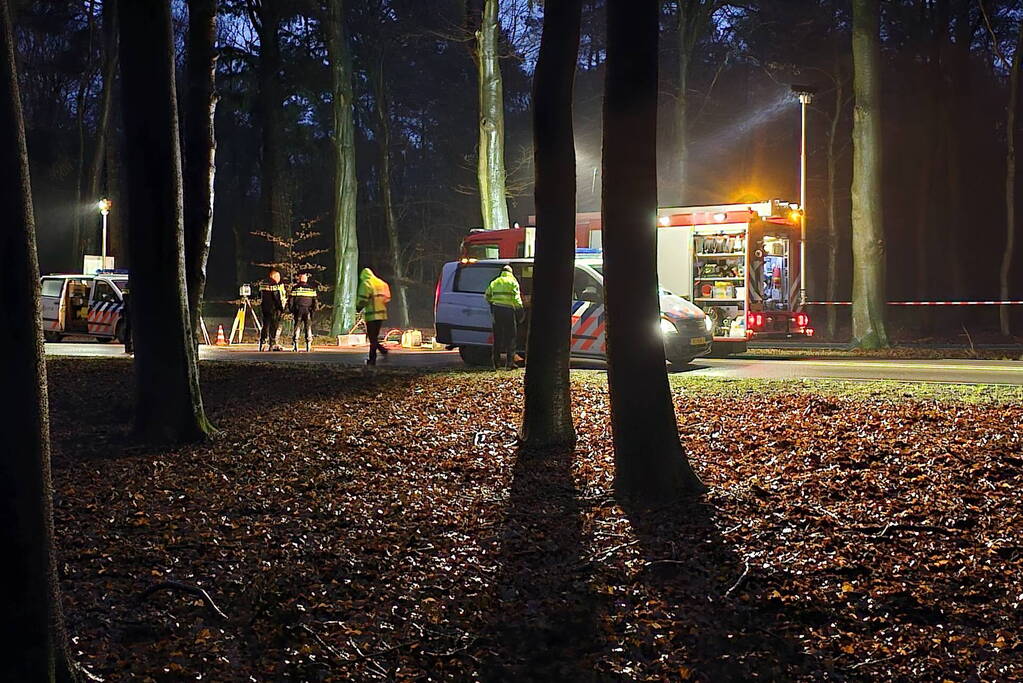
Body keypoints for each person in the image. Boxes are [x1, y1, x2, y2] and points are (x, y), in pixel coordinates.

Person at [484, 265, 523, 369]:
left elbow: (487, 295)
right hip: (508, 311)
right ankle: (509, 363)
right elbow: (516, 298)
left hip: (497, 311)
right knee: (511, 336)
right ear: (511, 272)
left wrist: (492, 304)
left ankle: (496, 363)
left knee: (497, 337)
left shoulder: (495, 282)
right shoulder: (512, 282)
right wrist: (520, 310)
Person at [356, 267, 391, 365]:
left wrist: (358, 307)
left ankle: (372, 359)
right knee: (374, 337)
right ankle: (382, 350)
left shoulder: (366, 283)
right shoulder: (381, 283)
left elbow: (363, 299)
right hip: (381, 314)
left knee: (372, 338)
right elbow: (387, 298)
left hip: (372, 315)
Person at [258, 268, 287, 351]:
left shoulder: (263, 283)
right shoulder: (274, 284)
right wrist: (281, 308)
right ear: (273, 276)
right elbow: (276, 297)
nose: (279, 279)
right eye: (278, 276)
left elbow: (260, 295)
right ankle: (272, 343)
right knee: (273, 326)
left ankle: (263, 342)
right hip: (273, 308)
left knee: (265, 325)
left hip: (264, 308)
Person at [289, 272, 318, 352]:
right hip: (308, 310)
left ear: (299, 279)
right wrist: (313, 311)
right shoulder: (311, 288)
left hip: (298, 310)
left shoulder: (295, 288)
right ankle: (308, 345)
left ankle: (296, 346)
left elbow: (291, 301)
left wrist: (292, 310)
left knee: (297, 327)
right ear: (306, 279)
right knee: (308, 327)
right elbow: (315, 302)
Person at [120, 285, 133, 355]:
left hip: (129, 311)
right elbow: (126, 299)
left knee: (129, 329)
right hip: (128, 312)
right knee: (128, 329)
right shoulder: (128, 286)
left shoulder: (128, 286)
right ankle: (128, 347)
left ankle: (129, 346)